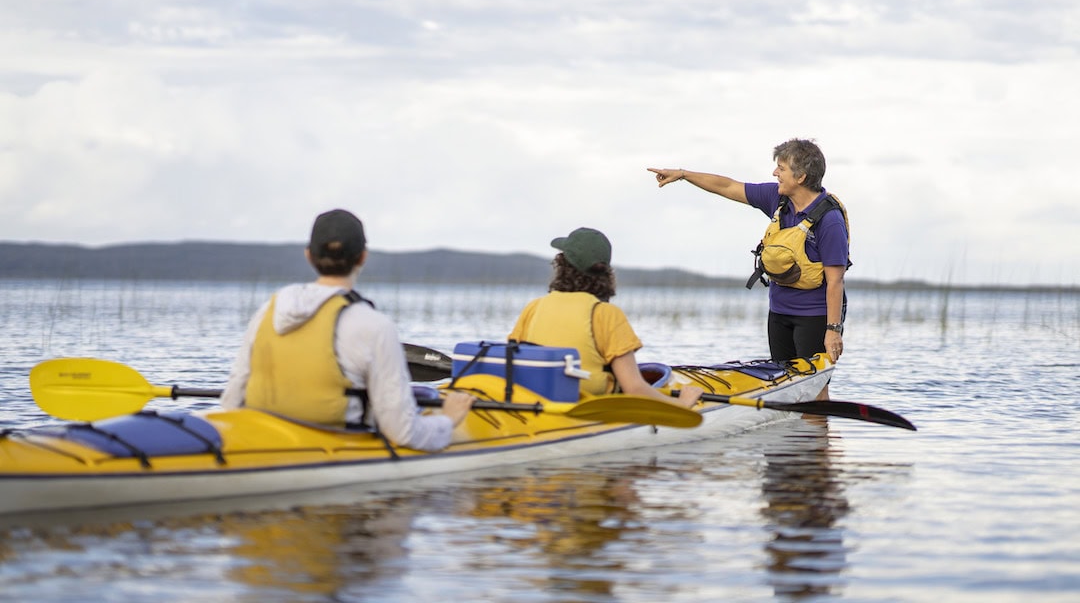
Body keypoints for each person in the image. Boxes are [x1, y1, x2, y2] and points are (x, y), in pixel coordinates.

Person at [221, 208, 474, 451]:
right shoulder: (374, 325)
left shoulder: (267, 312)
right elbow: (403, 432)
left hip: (260, 438)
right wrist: (447, 420)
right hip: (335, 445)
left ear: (309, 255)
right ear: (362, 257)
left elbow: (231, 402)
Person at [648, 139, 849, 398]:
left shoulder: (829, 221)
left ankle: (818, 433)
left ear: (800, 177)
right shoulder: (778, 200)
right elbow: (728, 186)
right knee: (785, 385)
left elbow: (835, 281)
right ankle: (795, 438)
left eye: (782, 168)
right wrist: (684, 175)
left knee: (813, 389)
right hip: (779, 312)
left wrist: (833, 331)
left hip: (814, 317)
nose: (775, 173)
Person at [508, 227, 703, 408]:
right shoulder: (606, 314)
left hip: (534, 401)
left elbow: (513, 363)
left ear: (561, 266)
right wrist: (682, 404)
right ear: (605, 271)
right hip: (589, 406)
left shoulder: (534, 306)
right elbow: (634, 389)